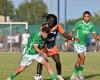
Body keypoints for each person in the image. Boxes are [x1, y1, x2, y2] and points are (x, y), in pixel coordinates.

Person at [34, 14, 74, 80]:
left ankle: (59, 75)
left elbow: (65, 35)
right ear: (48, 20)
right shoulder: (44, 26)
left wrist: (72, 39)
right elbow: (42, 38)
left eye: (53, 21)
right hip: (44, 47)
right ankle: (38, 75)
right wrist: (43, 49)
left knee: (58, 61)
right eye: (50, 20)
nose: (51, 22)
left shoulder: (58, 26)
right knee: (40, 62)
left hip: (52, 48)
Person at [69, 11, 98, 80]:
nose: (86, 18)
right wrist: (69, 40)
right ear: (83, 17)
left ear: (89, 17)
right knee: (82, 57)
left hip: (84, 44)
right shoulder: (79, 23)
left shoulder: (91, 25)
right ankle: (81, 74)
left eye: (88, 16)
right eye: (85, 16)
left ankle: (73, 76)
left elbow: (94, 35)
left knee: (79, 60)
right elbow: (72, 31)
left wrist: (97, 39)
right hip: (77, 43)